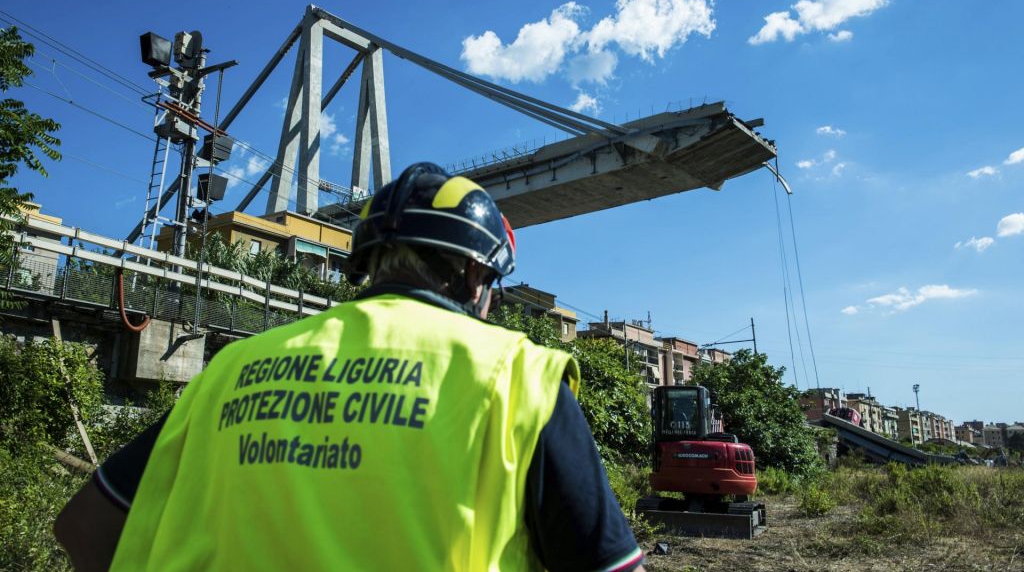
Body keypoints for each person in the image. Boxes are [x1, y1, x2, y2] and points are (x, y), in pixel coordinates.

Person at [55, 162, 645, 571]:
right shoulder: (518, 377)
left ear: (367, 264)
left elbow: (82, 528)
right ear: (475, 277)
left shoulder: (231, 370)